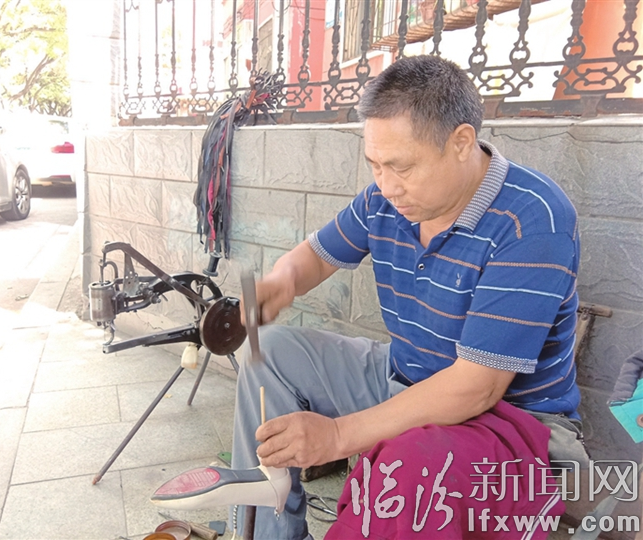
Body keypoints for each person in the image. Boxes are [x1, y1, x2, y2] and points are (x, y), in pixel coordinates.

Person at [231, 55, 586, 539]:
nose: (387, 185)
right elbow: (314, 255)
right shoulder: (386, 200)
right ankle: (268, 534)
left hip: (510, 421)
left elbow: (476, 388)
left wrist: (337, 436)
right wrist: (282, 281)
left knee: (407, 470)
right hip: (404, 374)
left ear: (461, 142)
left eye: (402, 167)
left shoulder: (533, 220)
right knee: (269, 353)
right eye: (375, 165)